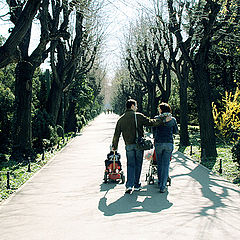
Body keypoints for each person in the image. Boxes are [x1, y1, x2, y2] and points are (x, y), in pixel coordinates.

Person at [112, 99, 171, 194]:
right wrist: (163, 120)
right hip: (139, 145)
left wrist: (115, 146)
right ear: (132, 106)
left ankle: (129, 185)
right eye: (135, 105)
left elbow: (116, 134)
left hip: (128, 146)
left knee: (130, 164)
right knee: (138, 164)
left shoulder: (121, 119)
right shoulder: (138, 116)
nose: (137, 107)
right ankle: (136, 184)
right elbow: (151, 122)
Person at [153, 102, 178, 193]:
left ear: (162, 109)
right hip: (168, 143)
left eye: (159, 108)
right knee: (166, 164)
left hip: (159, 143)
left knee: (159, 164)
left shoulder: (157, 118)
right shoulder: (173, 120)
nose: (158, 110)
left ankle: (160, 182)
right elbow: (176, 131)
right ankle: (163, 186)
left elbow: (154, 131)